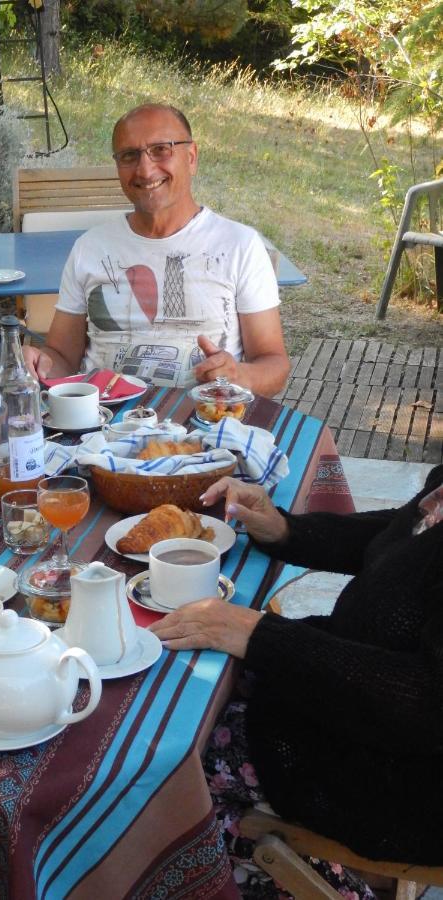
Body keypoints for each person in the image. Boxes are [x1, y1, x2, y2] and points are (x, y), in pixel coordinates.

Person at [150, 467, 443, 897]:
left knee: (168, 768)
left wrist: (256, 633)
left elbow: (430, 704)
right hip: (349, 703)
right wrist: (284, 528)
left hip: (406, 783)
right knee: (190, 689)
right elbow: (404, 538)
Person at [23, 103, 290, 397]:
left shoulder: (239, 245)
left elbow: (274, 366)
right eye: (129, 155)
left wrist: (239, 375)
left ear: (191, 158)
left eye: (161, 149)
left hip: (203, 424)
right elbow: (62, 356)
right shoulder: (90, 248)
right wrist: (41, 364)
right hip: (101, 425)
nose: (145, 169)